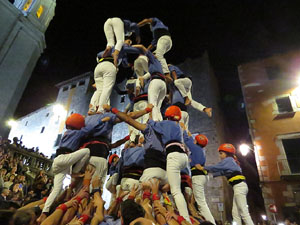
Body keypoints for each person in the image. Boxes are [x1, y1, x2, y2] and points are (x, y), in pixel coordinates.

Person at [106, 104, 191, 223]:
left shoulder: (149, 129)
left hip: (151, 170)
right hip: (165, 173)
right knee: (159, 205)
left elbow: (128, 119)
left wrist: (113, 109)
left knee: (140, 205)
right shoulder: (167, 132)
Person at [38, 113, 109, 223]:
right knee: (87, 151)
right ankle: (76, 172)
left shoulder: (67, 132)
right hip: (64, 159)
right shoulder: (76, 132)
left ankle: (44, 213)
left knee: (56, 190)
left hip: (61, 163)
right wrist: (102, 120)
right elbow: (89, 129)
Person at [198, 143, 254, 225]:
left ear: (227, 153)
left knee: (243, 212)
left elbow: (217, 167)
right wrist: (210, 174)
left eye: (221, 153)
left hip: (239, 187)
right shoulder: (232, 162)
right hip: (239, 187)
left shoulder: (228, 160)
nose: (220, 156)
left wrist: (203, 168)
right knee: (235, 213)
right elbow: (222, 172)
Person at [183, 129, 215, 224]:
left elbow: (187, 140)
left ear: (196, 141)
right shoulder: (201, 150)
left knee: (201, 203)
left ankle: (211, 223)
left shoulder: (195, 148)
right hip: (201, 176)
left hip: (197, 175)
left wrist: (184, 129)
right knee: (198, 200)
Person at [132, 44, 167, 121]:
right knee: (158, 107)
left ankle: (154, 124)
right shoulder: (158, 65)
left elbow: (142, 47)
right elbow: (147, 75)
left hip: (156, 82)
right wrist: (142, 78)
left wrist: (132, 47)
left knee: (152, 105)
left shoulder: (153, 59)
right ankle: (160, 124)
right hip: (163, 84)